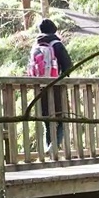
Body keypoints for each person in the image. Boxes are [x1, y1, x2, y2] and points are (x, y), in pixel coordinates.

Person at [34, 18, 74, 152]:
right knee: (63, 118)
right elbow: (68, 65)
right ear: (54, 29)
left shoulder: (37, 44)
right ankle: (54, 147)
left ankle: (48, 149)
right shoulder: (56, 44)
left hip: (40, 87)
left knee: (47, 120)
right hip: (56, 86)